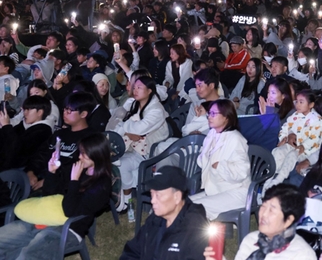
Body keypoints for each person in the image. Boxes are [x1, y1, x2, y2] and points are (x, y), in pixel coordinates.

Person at [0, 133, 112, 260]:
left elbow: (69, 211)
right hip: (46, 217)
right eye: (80, 152)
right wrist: (52, 172)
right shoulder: (75, 167)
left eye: (84, 154)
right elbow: (49, 196)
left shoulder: (102, 185)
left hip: (69, 229)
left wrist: (74, 181)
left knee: (27, 255)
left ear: (96, 155)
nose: (80, 157)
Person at [204, 184, 315, 260]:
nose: (263, 214)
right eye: (263, 206)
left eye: (271, 210)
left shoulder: (302, 254)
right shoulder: (251, 240)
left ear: (288, 220)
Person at [120, 166, 209, 260]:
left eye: (158, 195)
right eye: (152, 194)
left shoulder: (195, 229)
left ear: (177, 197)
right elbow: (132, 252)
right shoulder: (154, 220)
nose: (152, 200)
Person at [112, 74, 169, 217]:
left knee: (122, 164)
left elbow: (138, 129)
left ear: (149, 91)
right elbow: (121, 122)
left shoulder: (156, 110)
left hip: (151, 151)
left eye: (139, 87)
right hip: (135, 147)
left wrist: (128, 127)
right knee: (119, 163)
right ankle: (126, 197)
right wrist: (129, 129)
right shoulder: (135, 104)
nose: (135, 90)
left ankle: (126, 199)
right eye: (134, 87)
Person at [189, 99, 251, 219]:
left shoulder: (236, 139)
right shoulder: (212, 134)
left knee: (195, 208)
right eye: (209, 113)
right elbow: (203, 160)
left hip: (237, 192)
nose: (209, 117)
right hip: (217, 189)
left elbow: (242, 171)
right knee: (181, 205)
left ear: (226, 117)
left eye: (213, 114)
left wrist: (220, 165)